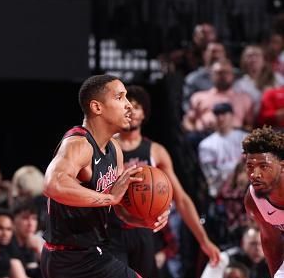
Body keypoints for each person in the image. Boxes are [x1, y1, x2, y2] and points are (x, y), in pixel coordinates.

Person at [41, 74, 169, 278]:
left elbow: (117, 209)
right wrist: (110, 197)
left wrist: (143, 220)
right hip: (69, 259)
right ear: (97, 107)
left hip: (91, 252)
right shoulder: (78, 144)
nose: (129, 105)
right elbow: (52, 185)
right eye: (120, 98)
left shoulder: (114, 149)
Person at [110, 85, 220, 278]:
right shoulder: (107, 146)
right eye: (126, 105)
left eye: (136, 106)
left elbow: (182, 199)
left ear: (144, 113)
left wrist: (204, 240)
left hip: (143, 231)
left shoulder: (156, 151)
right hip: (109, 229)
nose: (131, 110)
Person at [243, 126, 284, 277]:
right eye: (250, 166)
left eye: (263, 166)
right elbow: (271, 242)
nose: (255, 174)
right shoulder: (253, 201)